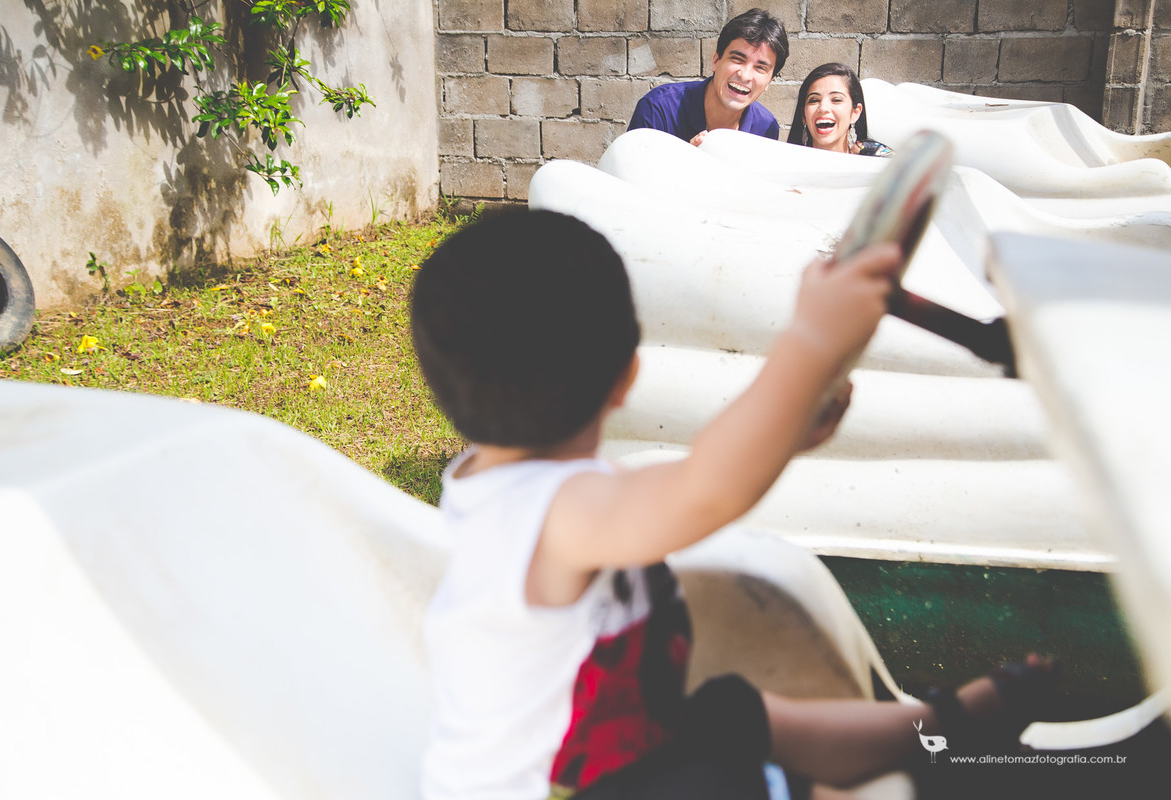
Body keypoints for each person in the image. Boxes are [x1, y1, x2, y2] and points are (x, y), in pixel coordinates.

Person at [412, 210, 1054, 800]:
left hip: (608, 750)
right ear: (629, 374)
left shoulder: (511, 482)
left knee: (728, 713)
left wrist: (785, 434)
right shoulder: (553, 512)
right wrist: (811, 338)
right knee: (726, 779)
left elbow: (675, 489)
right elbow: (706, 488)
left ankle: (935, 729)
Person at [627, 9, 788, 146]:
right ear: (716, 61)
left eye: (760, 67)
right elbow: (629, 178)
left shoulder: (766, 128)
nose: (744, 75)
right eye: (737, 59)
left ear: (769, 82)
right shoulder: (658, 109)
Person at [787, 63, 893, 157]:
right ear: (803, 115)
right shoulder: (786, 165)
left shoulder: (877, 161)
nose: (823, 108)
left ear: (855, 112)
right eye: (814, 100)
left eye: (836, 99)